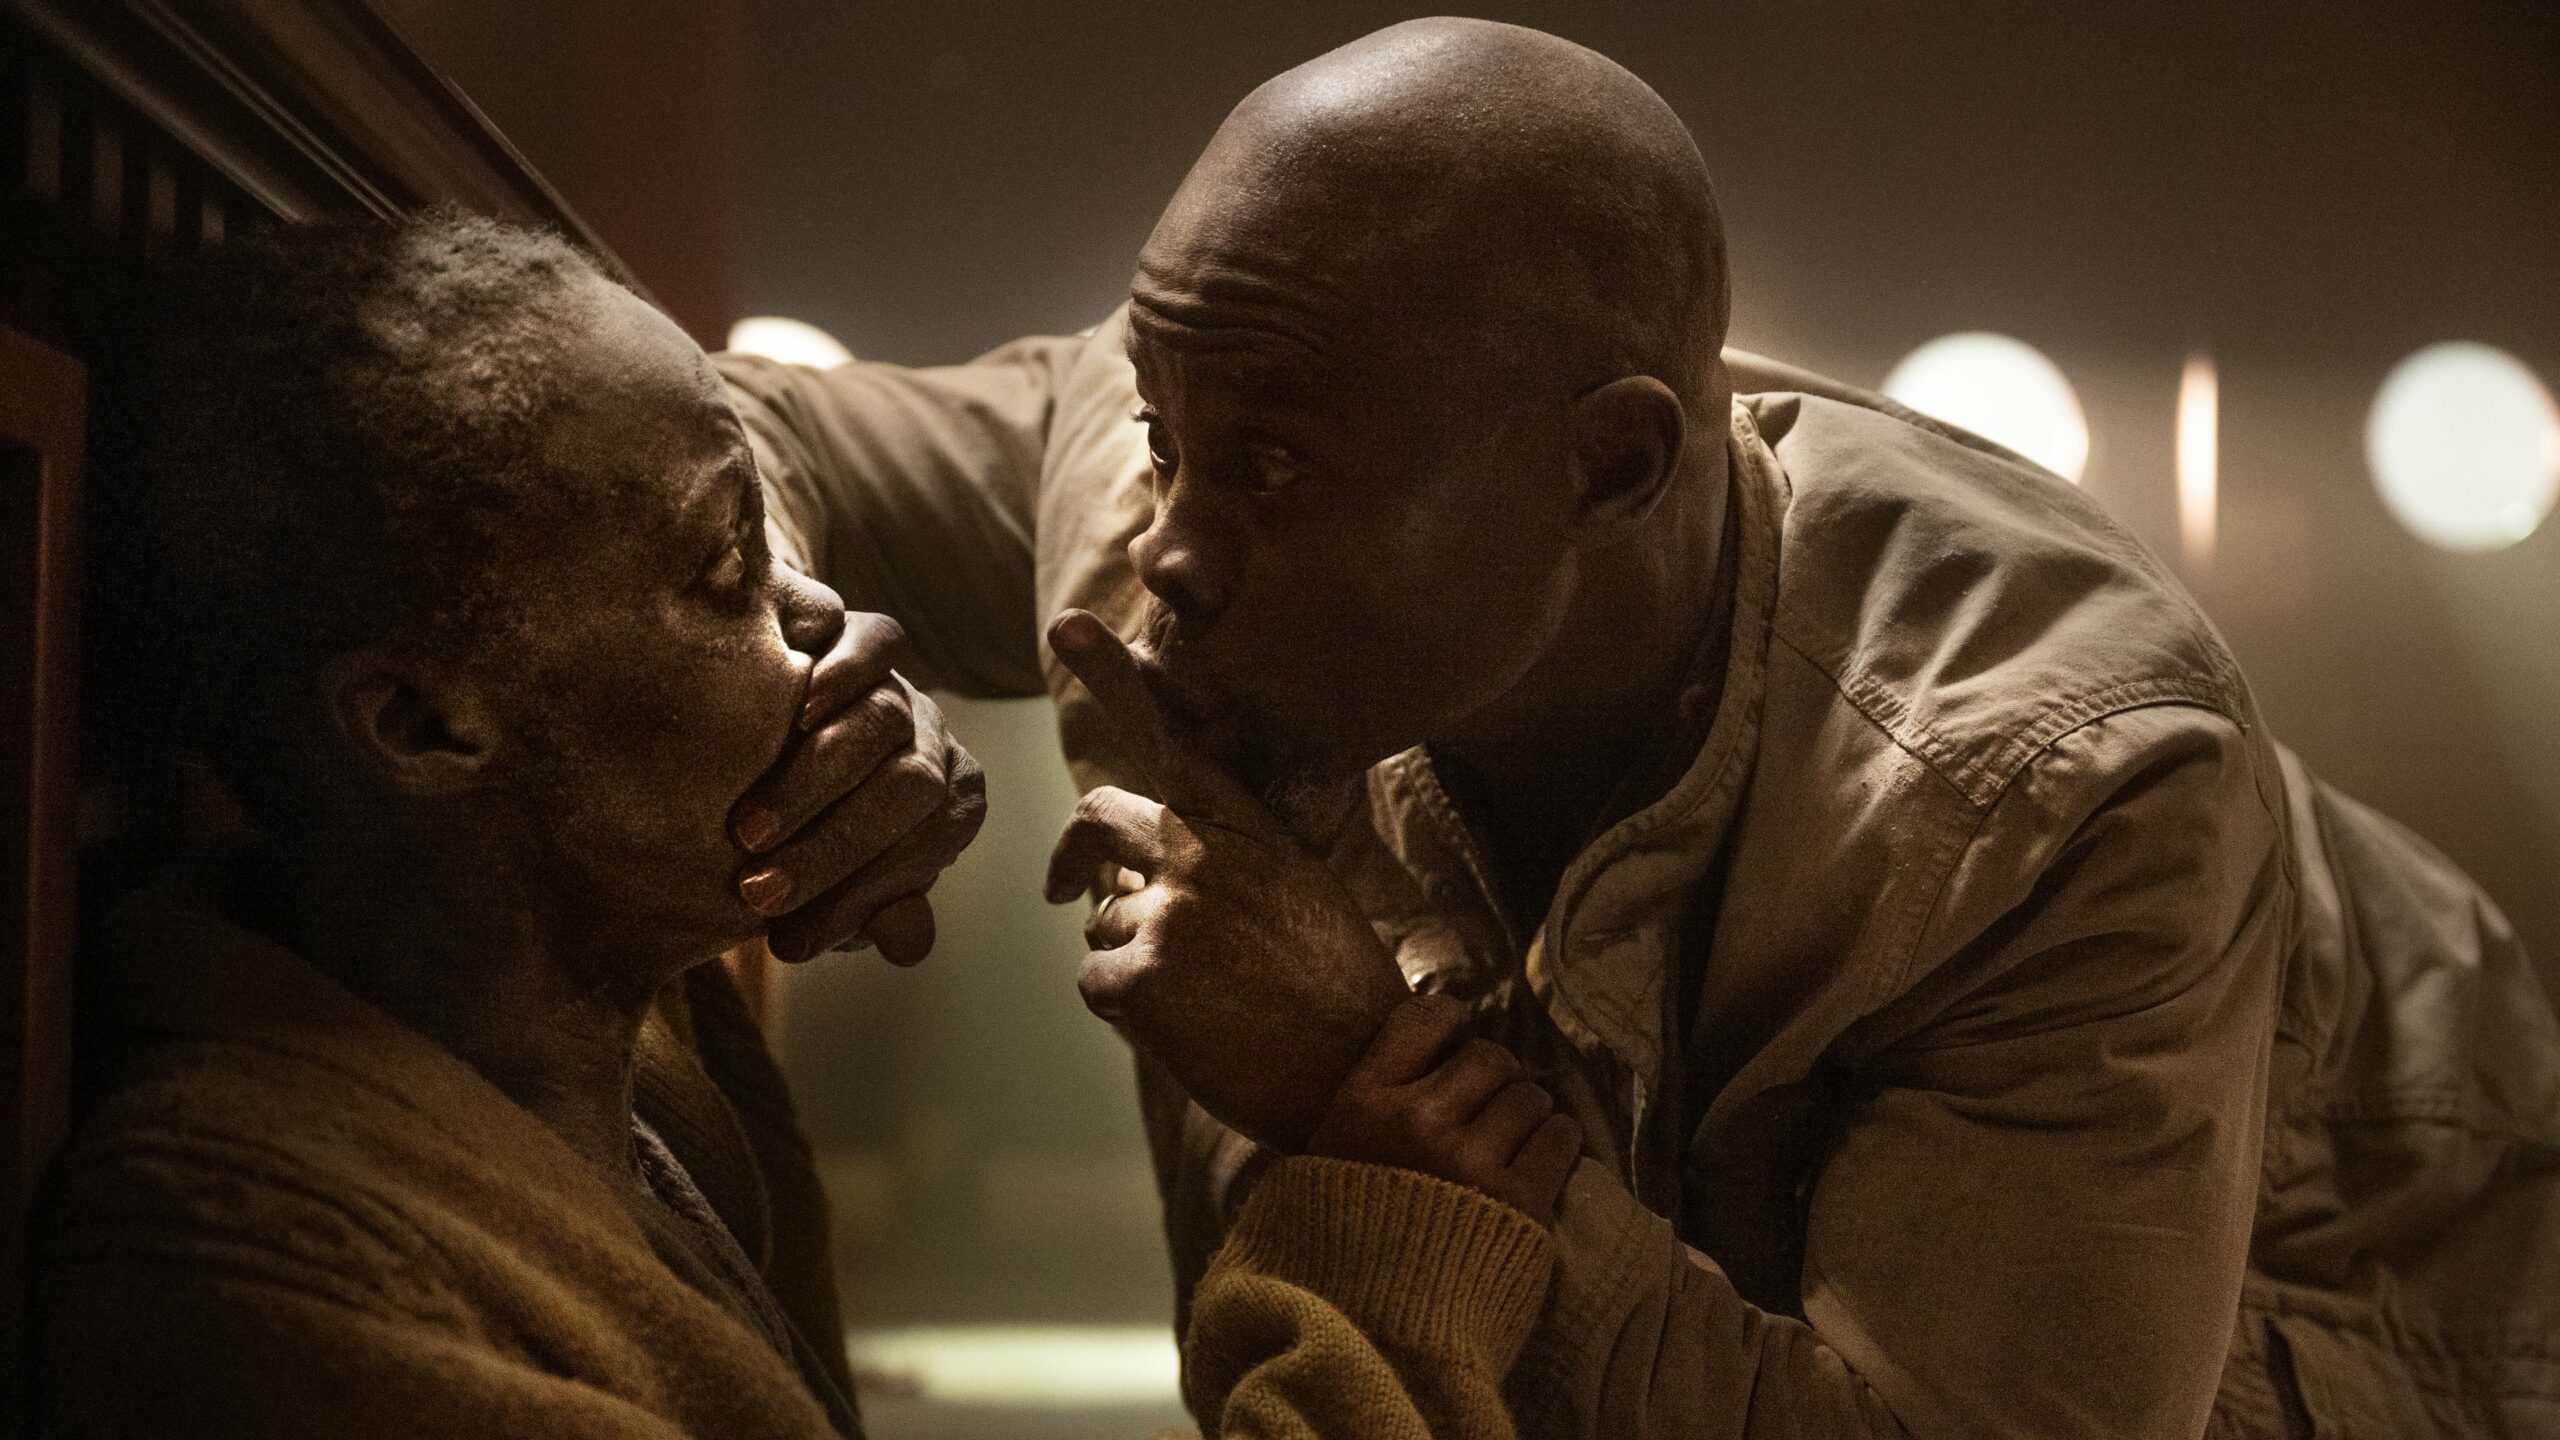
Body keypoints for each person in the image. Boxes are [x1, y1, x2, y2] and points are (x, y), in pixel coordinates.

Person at [717, 18, 2560, 1438]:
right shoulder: (1185, 459)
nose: (1170, 549)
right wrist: (793, 675)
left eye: (1271, 467)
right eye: (1165, 424)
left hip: (2366, 1282)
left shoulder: (2053, 788)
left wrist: (1367, 1085)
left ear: (1606, 465)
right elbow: (718, 433)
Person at [37, 207, 1590, 1440]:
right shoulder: (256, 1264)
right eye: (728, 567)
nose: (835, 623)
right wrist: (1383, 1281)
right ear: (423, 725)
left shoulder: (600, 1038)